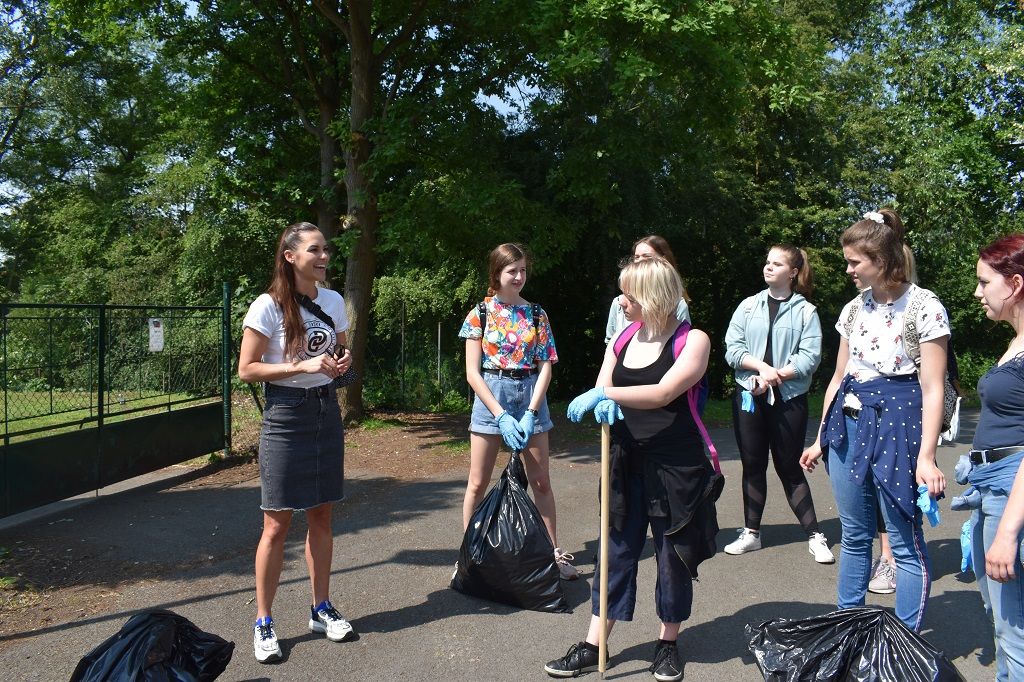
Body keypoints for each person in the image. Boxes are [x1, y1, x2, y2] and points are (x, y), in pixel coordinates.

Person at [545, 257, 717, 681]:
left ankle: (667, 643)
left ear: (653, 297)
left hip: (677, 464)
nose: (621, 301)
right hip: (624, 457)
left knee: (670, 555)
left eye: (629, 294)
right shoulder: (622, 338)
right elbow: (608, 380)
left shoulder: (693, 340)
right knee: (614, 551)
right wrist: (604, 397)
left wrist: (606, 392)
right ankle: (593, 644)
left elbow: (662, 393)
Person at [800, 208, 948, 633]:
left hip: (900, 424)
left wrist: (928, 456)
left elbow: (933, 387)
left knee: (903, 540)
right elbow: (838, 377)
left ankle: (906, 642)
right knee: (854, 533)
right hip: (848, 424)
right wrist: (819, 438)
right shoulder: (853, 309)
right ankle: (848, 628)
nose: (848, 269)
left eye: (854, 262)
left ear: (880, 261)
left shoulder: (924, 305)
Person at [238, 222, 356, 663]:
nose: (324, 256)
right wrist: (301, 367)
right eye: (314, 250)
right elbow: (247, 369)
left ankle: (320, 608)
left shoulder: (333, 301)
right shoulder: (267, 305)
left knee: (322, 514)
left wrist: (341, 364)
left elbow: (343, 354)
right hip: (285, 416)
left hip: (326, 413)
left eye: (326, 249)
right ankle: (264, 621)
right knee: (277, 523)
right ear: (290, 256)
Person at [458, 243, 576, 580]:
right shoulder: (479, 313)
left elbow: (546, 368)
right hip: (490, 396)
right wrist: (500, 414)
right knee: (477, 483)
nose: (520, 277)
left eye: (523, 270)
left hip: (530, 395)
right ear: (497, 273)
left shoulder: (537, 314)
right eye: (513, 271)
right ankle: (470, 554)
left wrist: (530, 411)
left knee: (540, 482)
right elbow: (472, 373)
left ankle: (553, 554)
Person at [723, 245, 833, 563]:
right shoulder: (747, 306)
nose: (768, 267)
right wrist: (760, 369)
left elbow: (809, 357)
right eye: (767, 261)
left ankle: (816, 535)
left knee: (789, 467)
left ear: (793, 272)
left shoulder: (805, 312)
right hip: (749, 395)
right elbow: (733, 348)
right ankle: (751, 534)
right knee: (752, 465)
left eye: (777, 263)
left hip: (789, 399)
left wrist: (774, 376)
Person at [965, 233, 1024, 681]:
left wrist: (1006, 532)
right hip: (992, 487)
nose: (977, 292)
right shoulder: (1016, 342)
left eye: (985, 283)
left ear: (1015, 284)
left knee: (1014, 629)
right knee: (1002, 621)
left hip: (1011, 493)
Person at [605, 235, 690, 343]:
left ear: (663, 260)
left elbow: (683, 340)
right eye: (636, 257)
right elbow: (611, 341)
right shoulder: (618, 303)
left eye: (647, 257)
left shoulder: (678, 304)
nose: (640, 261)